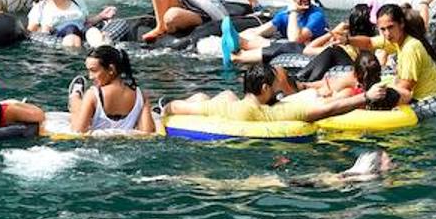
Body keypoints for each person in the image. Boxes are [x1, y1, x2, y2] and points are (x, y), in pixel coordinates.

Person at [165, 62, 386, 124]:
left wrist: (163, 111)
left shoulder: (225, 106)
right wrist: (366, 97)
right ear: (264, 89)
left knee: (204, 98)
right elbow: (329, 109)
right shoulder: (272, 115)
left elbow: (174, 106)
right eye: (275, 85)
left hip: (224, 103)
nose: (278, 89)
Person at [231, 0, 329, 64]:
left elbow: (294, 41)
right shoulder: (284, 14)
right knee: (249, 35)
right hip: (286, 49)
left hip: (310, 54)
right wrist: (240, 36)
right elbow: (259, 31)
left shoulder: (316, 15)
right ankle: (237, 43)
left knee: (287, 46)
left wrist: (294, 12)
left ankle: (240, 50)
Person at [370, 3, 436, 103]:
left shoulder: (411, 47)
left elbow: (405, 89)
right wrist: (348, 40)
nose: (387, 34)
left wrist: (369, 96)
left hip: (429, 100)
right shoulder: (401, 42)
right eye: (383, 29)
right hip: (432, 93)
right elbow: (369, 42)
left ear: (402, 25)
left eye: (390, 27)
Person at [68, 46, 156, 134]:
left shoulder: (93, 95)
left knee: (76, 103)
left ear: (111, 69)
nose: (90, 77)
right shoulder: (141, 96)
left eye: (93, 71)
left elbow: (78, 131)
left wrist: (74, 109)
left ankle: (75, 94)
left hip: (96, 145)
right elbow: (147, 132)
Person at [28, 0, 114, 50]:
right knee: (71, 29)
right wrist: (44, 29)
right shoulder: (39, 8)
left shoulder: (76, 0)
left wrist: (101, 16)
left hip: (82, 32)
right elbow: (30, 32)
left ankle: (103, 49)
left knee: (93, 31)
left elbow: (86, 22)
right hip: (59, 36)